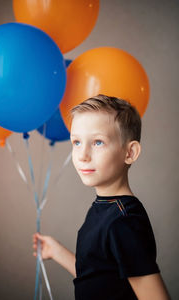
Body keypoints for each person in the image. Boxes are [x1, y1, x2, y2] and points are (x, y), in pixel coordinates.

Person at [33, 95, 171, 300]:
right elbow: (98, 278)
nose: (82, 155)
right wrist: (57, 252)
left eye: (98, 142)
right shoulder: (104, 207)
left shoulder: (124, 221)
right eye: (77, 142)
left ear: (130, 152)